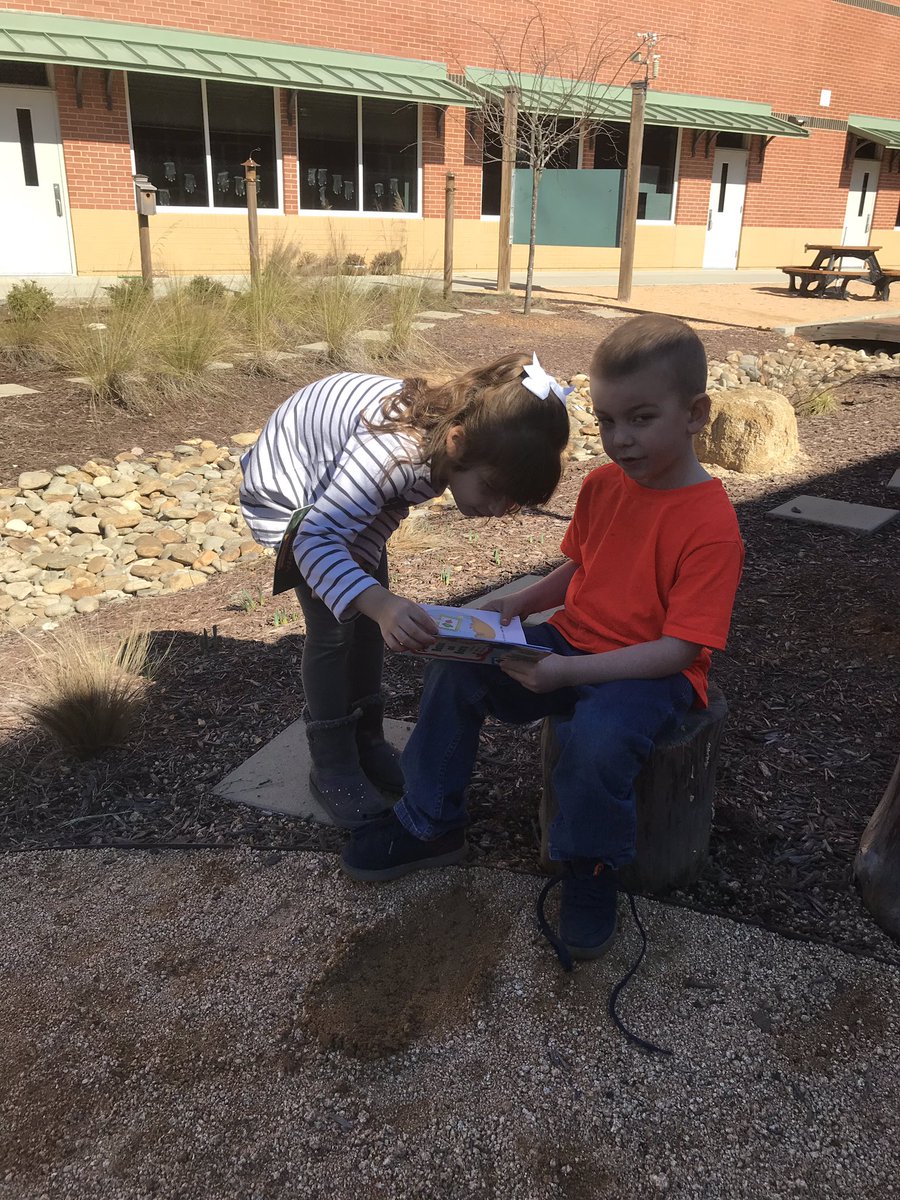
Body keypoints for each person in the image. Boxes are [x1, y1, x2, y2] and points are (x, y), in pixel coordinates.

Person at [342, 314, 745, 966]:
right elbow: (583, 564)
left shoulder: (712, 524)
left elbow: (678, 649)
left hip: (650, 674)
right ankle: (429, 820)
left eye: (640, 419)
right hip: (568, 640)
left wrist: (568, 675)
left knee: (597, 739)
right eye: (608, 420)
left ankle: (589, 868)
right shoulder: (605, 485)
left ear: (696, 413)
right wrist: (517, 603)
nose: (621, 440)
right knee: (455, 667)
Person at [239, 354, 571, 828]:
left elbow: (383, 508)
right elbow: (316, 538)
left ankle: (368, 739)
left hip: (341, 496)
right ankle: (332, 761)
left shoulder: (443, 450)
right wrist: (376, 600)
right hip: (296, 490)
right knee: (333, 629)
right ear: (458, 444)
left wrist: (375, 598)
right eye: (494, 488)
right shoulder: (393, 453)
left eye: (514, 501)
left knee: (368, 613)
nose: (499, 508)